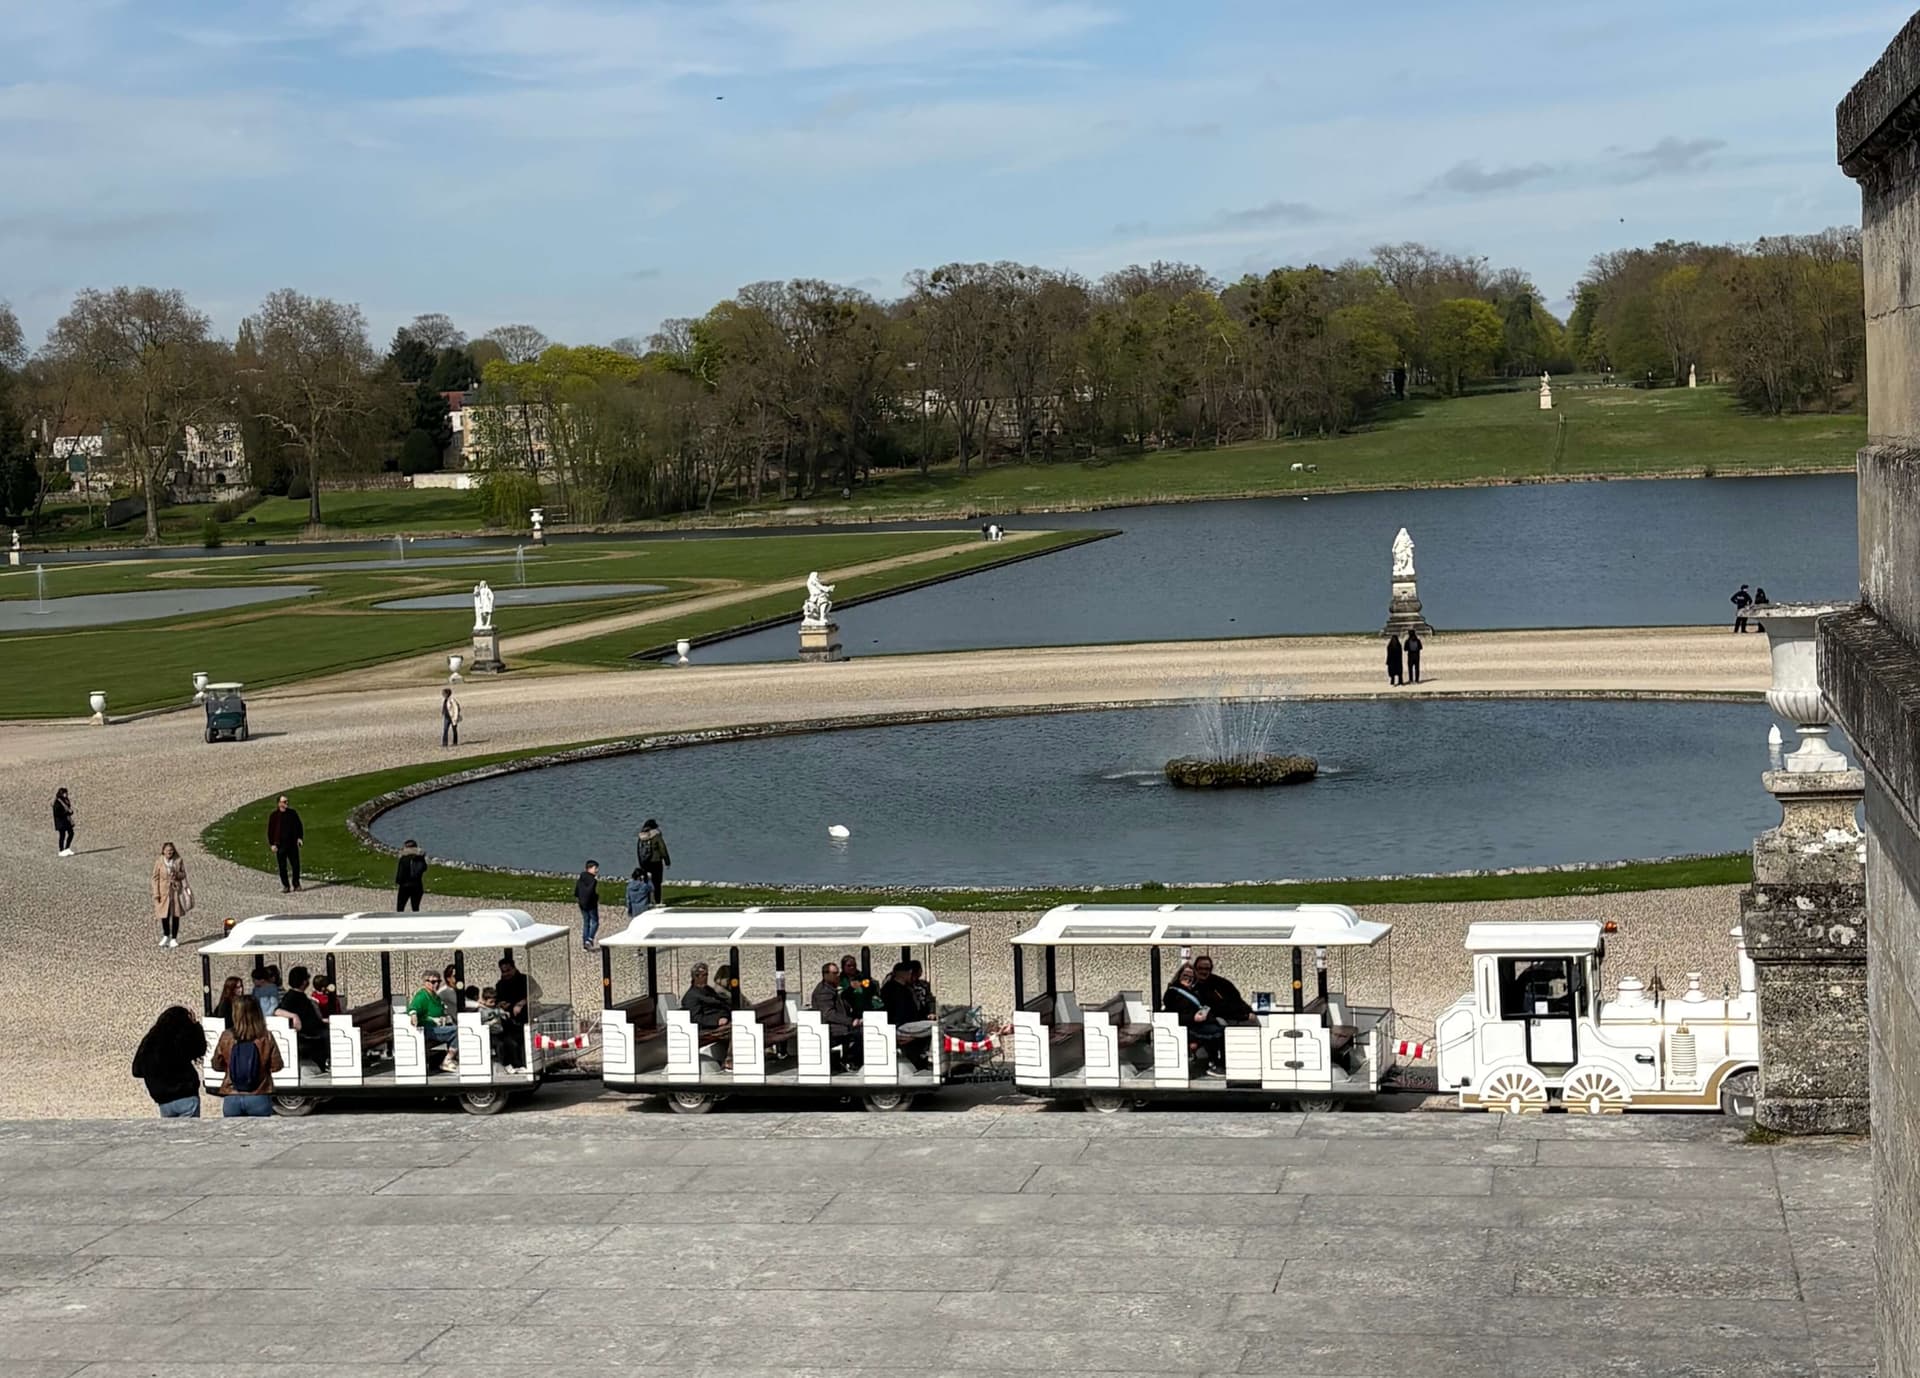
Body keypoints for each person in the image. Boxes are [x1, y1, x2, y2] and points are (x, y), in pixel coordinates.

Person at [210, 994, 283, 1117]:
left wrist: (233, 1067)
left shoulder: (227, 1036)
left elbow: (216, 1065)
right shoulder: (266, 1036)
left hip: (232, 1096)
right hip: (259, 1094)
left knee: (233, 1135)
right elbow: (277, 1065)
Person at [131, 1005, 205, 1118]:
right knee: (188, 1134)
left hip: (163, 1100)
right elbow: (199, 1049)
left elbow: (137, 1070)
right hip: (186, 1096)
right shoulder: (180, 1039)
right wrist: (195, 1026)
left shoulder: (151, 1041)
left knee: (170, 1134)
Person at [1163, 962, 1226, 1073]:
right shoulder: (1172, 993)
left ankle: (1214, 1061)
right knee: (1220, 1033)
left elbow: (1202, 1005)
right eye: (1185, 976)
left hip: (1198, 1023)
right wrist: (1193, 1018)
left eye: (1191, 977)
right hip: (1187, 1027)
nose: (1188, 979)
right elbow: (1172, 1015)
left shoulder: (1193, 991)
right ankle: (1218, 1064)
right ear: (1179, 976)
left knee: (1221, 1026)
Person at [809, 961, 863, 1069]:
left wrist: (851, 989)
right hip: (828, 1027)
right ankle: (848, 1061)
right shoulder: (823, 991)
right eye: (834, 973)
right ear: (825, 974)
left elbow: (842, 1000)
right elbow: (828, 1014)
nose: (838, 975)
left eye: (838, 972)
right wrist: (850, 1021)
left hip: (834, 1025)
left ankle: (850, 1059)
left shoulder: (831, 988)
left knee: (860, 1030)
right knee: (858, 1033)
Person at [880, 963, 934, 1070]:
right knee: (936, 1026)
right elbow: (892, 1013)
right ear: (904, 973)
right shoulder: (890, 989)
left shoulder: (906, 989)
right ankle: (930, 1059)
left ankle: (926, 1056)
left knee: (936, 1026)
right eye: (910, 973)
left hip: (908, 1025)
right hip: (899, 1026)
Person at [277, 965, 330, 1071]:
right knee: (328, 1035)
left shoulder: (299, 996)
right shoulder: (292, 997)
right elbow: (277, 1011)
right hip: (309, 1033)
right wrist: (294, 1016)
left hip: (313, 1029)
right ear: (304, 981)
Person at [407, 969, 459, 1072]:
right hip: (426, 1029)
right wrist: (413, 1015)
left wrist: (444, 1017)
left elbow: (441, 1011)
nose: (436, 984)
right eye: (433, 982)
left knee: (454, 1027)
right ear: (425, 982)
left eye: (438, 982)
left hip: (436, 1027)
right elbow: (413, 1008)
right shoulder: (422, 995)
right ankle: (447, 1060)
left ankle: (452, 1058)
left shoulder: (436, 996)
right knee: (458, 1031)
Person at [683, 963, 731, 1061]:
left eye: (705, 975)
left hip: (723, 1022)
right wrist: (717, 1021)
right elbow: (696, 1018)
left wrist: (726, 1015)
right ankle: (730, 1061)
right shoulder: (691, 996)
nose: (703, 978)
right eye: (700, 975)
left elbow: (721, 1004)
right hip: (708, 1029)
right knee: (737, 1030)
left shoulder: (708, 990)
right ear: (694, 976)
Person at [151, 841, 191, 949]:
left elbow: (183, 874)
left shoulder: (178, 861)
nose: (170, 852)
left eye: (171, 850)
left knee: (175, 915)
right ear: (163, 851)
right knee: (164, 914)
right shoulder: (159, 862)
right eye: (168, 850)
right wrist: (156, 893)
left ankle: (174, 938)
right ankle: (166, 935)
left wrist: (176, 874)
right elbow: (155, 878)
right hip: (163, 892)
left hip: (175, 892)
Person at [494, 954, 530, 1069]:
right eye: (503, 972)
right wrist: (500, 1004)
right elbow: (497, 1000)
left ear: (514, 968)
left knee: (516, 1041)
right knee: (507, 1041)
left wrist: (521, 1003)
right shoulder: (500, 984)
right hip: (508, 1021)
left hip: (524, 1018)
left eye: (508, 970)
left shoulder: (524, 979)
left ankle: (519, 1064)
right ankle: (511, 1065)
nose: (506, 974)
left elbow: (537, 993)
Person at [1192, 955, 1252, 1024]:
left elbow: (1236, 1001)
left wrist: (1248, 1013)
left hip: (1234, 1018)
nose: (1203, 971)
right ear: (1195, 968)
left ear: (1211, 970)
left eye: (1207, 969)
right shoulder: (1191, 984)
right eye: (1200, 968)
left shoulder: (1221, 983)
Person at [267, 795, 304, 892]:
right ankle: (286, 885)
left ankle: (296, 884)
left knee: (296, 865)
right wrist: (272, 844)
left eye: (287, 801)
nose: (286, 803)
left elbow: (299, 826)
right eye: (284, 802)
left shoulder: (292, 814)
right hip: (280, 845)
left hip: (292, 844)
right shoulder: (274, 816)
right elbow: (270, 831)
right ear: (279, 803)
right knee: (282, 867)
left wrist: (299, 838)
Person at [636, 820, 670, 906]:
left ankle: (647, 901)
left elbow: (638, 851)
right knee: (657, 882)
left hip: (644, 863)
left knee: (646, 881)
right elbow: (663, 849)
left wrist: (641, 862)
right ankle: (657, 901)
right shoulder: (656, 835)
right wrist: (667, 861)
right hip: (656, 862)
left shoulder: (641, 836)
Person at [838, 953, 881, 1017]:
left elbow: (873, 989)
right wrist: (851, 988)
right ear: (843, 967)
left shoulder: (862, 977)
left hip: (866, 1009)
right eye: (849, 966)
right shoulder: (839, 980)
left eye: (854, 965)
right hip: (848, 1012)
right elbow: (841, 996)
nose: (852, 967)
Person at [573, 859, 601, 951]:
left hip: (582, 904)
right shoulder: (593, 880)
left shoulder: (581, 878)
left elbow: (576, 892)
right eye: (595, 868)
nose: (597, 870)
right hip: (591, 904)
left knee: (586, 923)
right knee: (595, 922)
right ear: (589, 868)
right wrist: (596, 898)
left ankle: (585, 944)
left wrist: (581, 899)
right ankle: (590, 939)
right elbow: (590, 893)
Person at [394, 840, 428, 912]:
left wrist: (398, 882)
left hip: (405, 886)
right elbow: (424, 868)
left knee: (400, 908)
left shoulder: (403, 859)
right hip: (417, 886)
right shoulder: (420, 858)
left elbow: (400, 874)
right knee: (415, 908)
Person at [52, 787, 75, 857]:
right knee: (62, 835)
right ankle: (61, 850)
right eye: (65, 793)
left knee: (71, 833)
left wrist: (70, 812)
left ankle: (67, 848)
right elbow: (56, 813)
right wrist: (67, 813)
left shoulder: (66, 800)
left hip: (66, 820)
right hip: (60, 821)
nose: (66, 794)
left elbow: (68, 808)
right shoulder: (57, 802)